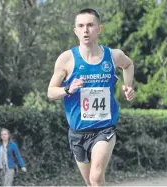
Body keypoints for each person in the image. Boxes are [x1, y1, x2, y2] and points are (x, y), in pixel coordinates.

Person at [47, 8, 135, 186]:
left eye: (90, 25)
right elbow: (50, 92)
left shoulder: (112, 56)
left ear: (99, 28)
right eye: (81, 26)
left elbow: (128, 64)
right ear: (75, 30)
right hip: (78, 132)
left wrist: (128, 85)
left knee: (96, 177)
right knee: (90, 182)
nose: (85, 30)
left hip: (105, 128)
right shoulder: (66, 59)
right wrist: (68, 89)